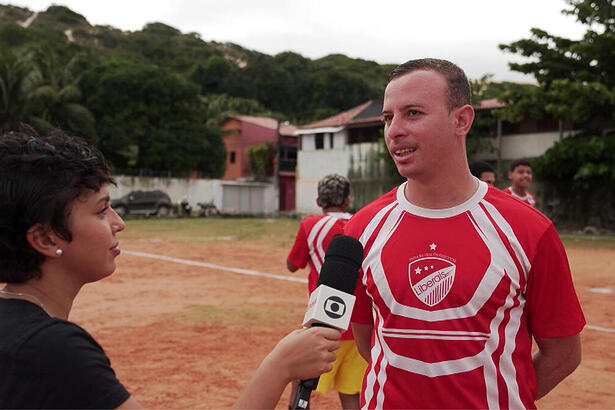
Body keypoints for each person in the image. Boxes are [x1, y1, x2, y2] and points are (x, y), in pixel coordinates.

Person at [0, 129, 341, 409]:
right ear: (45, 238)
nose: (119, 223)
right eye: (101, 211)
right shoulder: (53, 351)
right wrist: (280, 367)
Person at [345, 58, 585, 409]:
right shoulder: (361, 228)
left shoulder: (529, 229)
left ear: (461, 120)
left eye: (412, 113)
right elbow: (369, 340)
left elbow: (563, 353)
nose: (394, 130)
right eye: (387, 117)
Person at [287, 174, 367, 409]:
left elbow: (293, 264)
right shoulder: (360, 222)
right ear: (347, 200)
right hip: (357, 325)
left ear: (319, 201)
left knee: (301, 387)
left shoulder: (310, 225)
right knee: (351, 394)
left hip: (323, 322)